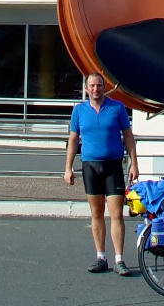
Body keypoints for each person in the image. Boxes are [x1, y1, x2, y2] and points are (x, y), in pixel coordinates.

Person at [64, 71, 139, 276]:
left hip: (113, 166)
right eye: (92, 86)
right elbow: (73, 140)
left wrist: (134, 164)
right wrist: (68, 168)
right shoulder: (79, 110)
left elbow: (129, 137)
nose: (95, 89)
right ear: (86, 88)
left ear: (104, 87)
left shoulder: (117, 108)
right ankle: (101, 257)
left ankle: (119, 260)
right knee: (96, 213)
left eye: (99, 85)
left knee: (116, 214)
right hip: (90, 166)